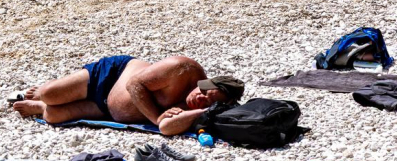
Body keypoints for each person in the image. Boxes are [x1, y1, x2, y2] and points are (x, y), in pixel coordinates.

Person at [12, 55, 243, 135]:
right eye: (205, 93)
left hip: (109, 110)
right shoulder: (183, 69)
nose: (200, 99)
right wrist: (156, 117)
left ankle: (39, 108)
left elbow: (166, 129)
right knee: (52, 94)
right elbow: (135, 84)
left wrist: (203, 111)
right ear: (206, 81)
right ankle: (42, 91)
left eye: (209, 103)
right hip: (112, 77)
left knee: (52, 115)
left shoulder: (195, 107)